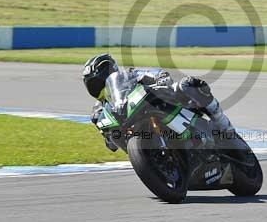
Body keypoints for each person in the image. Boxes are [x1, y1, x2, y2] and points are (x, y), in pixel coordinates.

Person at [82, 53, 234, 150]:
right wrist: (110, 136)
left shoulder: (129, 76)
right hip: (137, 131)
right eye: (94, 84)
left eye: (103, 78)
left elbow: (155, 73)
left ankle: (224, 126)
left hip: (161, 103)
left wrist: (159, 78)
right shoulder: (100, 112)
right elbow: (111, 145)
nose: (100, 85)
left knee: (188, 84)